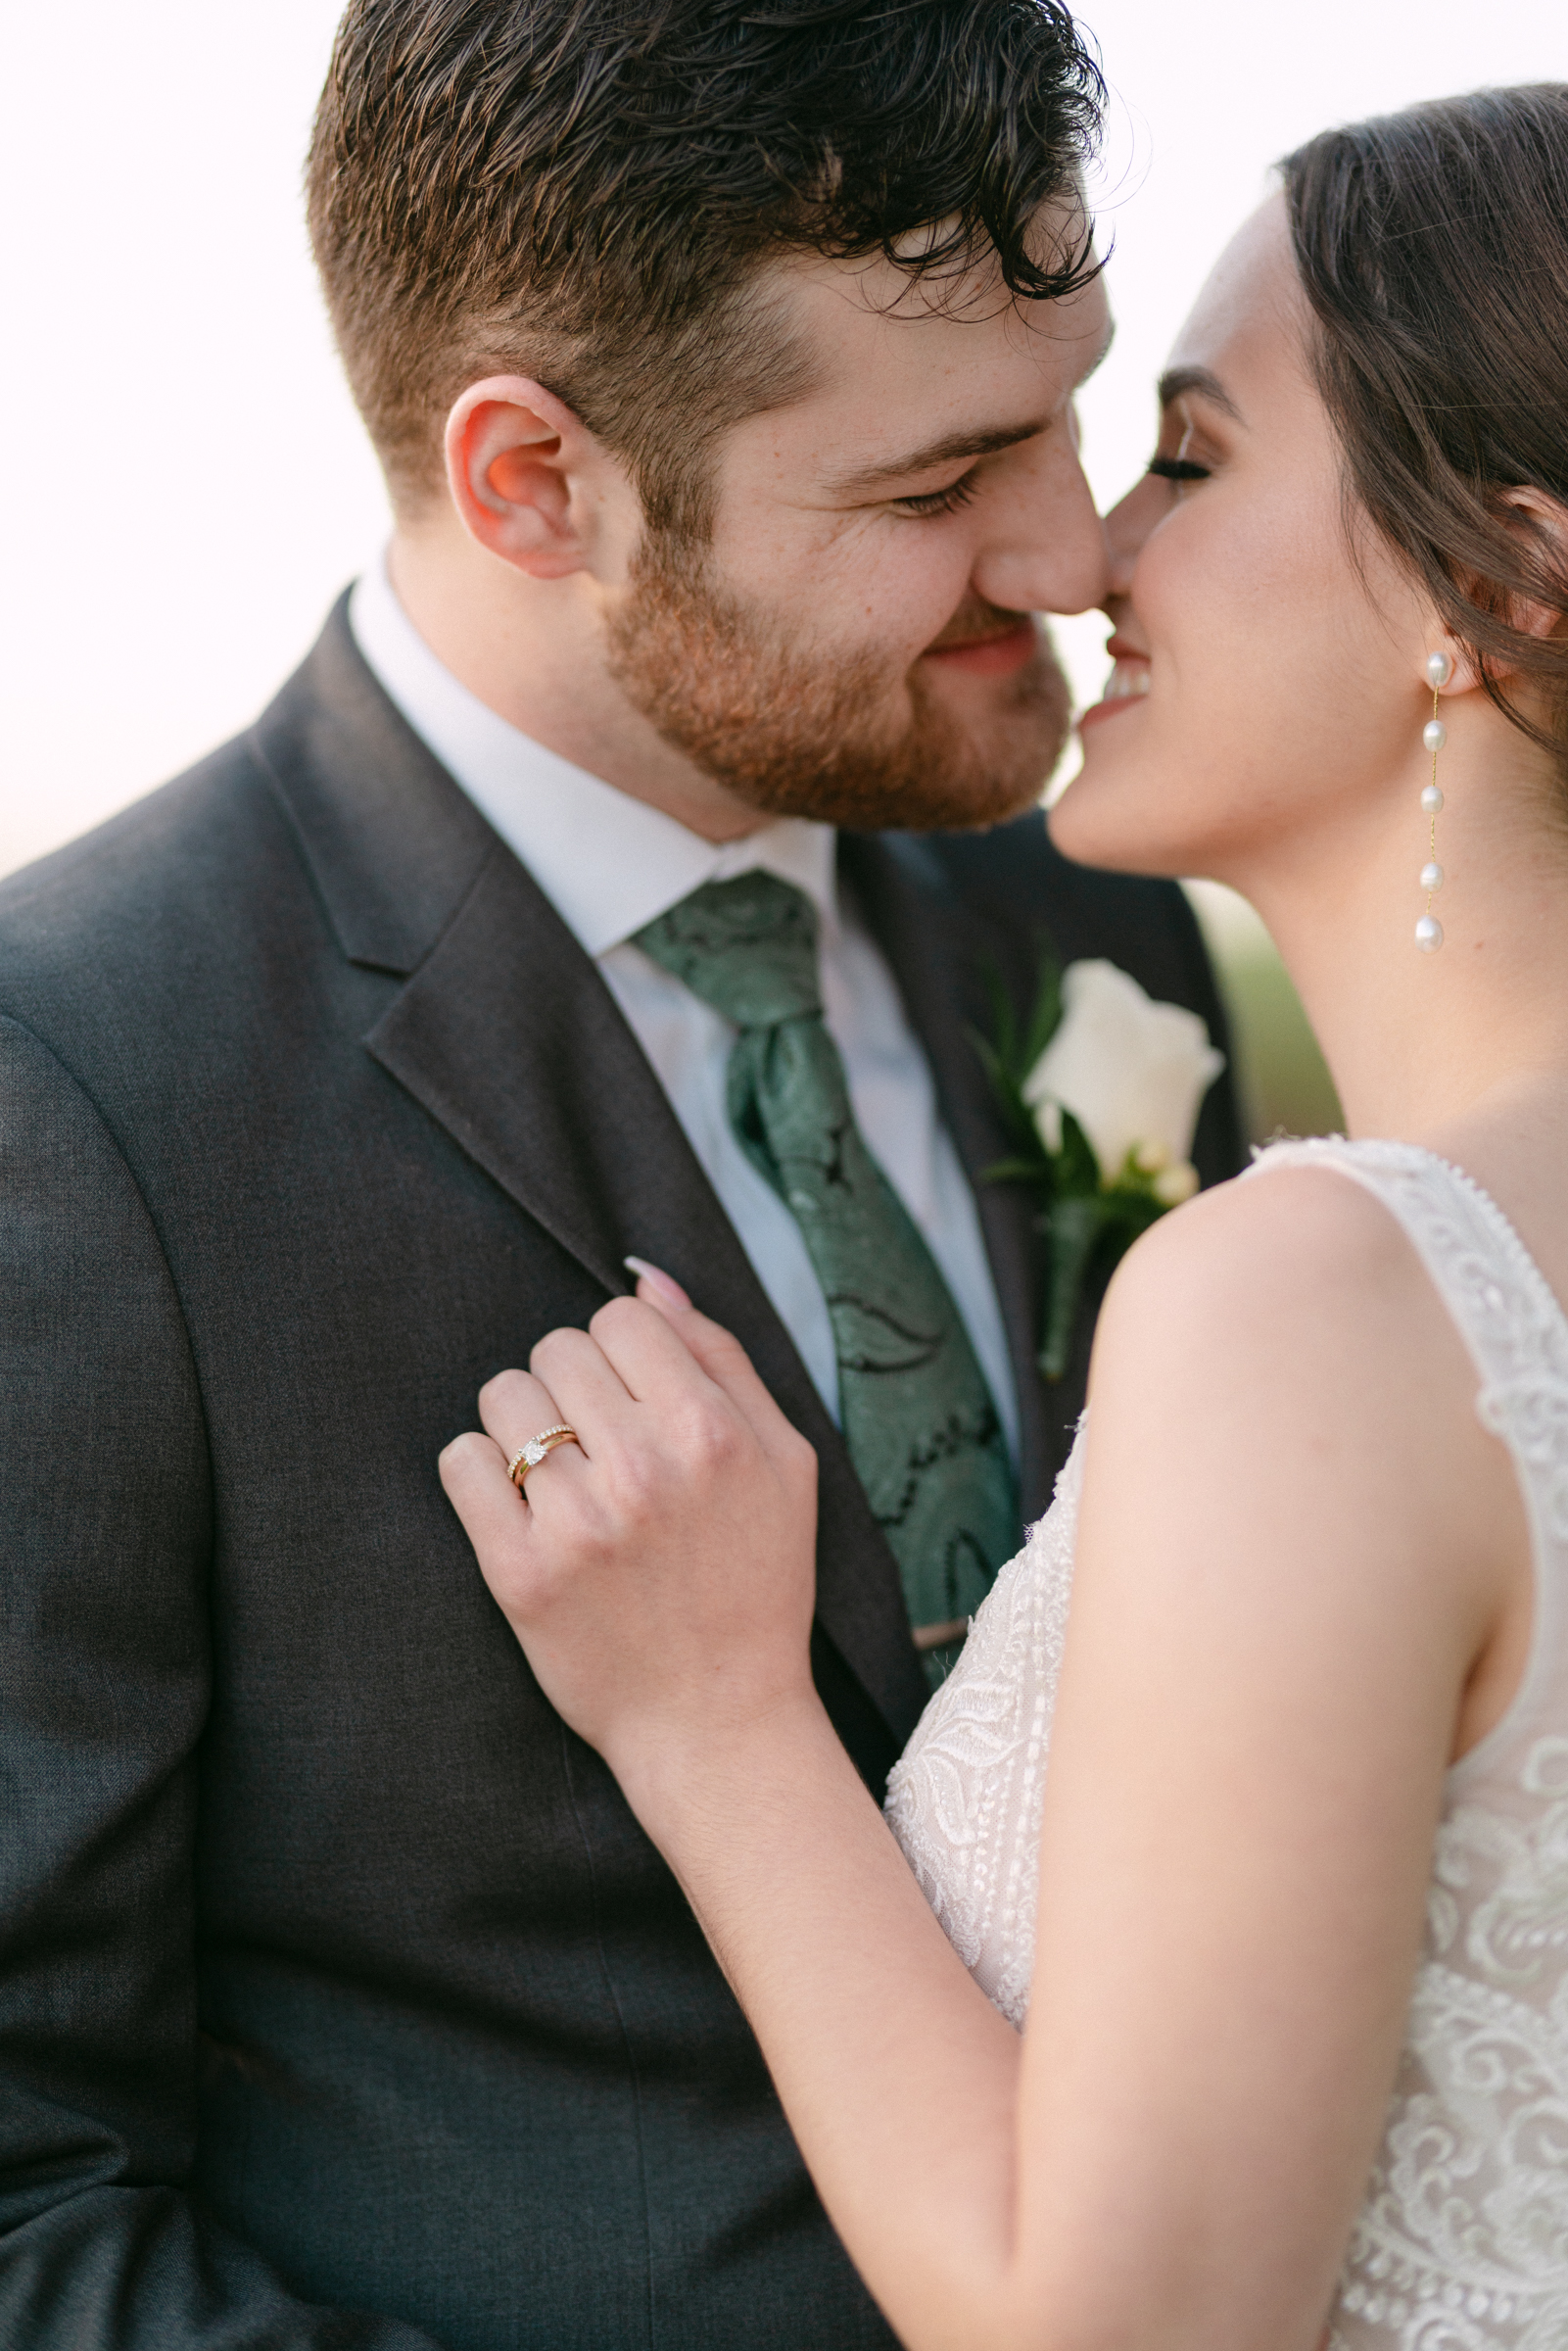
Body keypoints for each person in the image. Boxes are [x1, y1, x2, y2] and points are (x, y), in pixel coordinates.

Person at [0, 2, 1241, 2343]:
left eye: (1070, 405)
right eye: (931, 483)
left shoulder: (1103, 905)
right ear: (533, 482)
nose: (1076, 545)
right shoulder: (70, 1091)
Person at [441, 84, 1568, 2351]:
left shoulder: (1319, 1298)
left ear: (1497, 590)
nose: (1086, 558)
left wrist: (719, 1731)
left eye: (1189, 452)